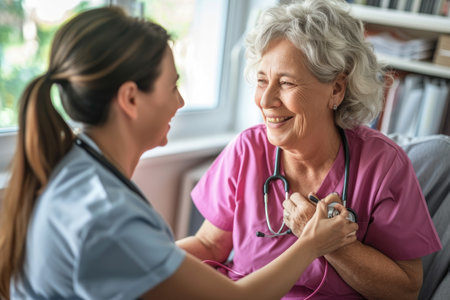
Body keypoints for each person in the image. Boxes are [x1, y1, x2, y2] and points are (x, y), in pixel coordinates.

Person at [0, 6, 359, 300]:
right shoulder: (109, 218)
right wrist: (312, 243)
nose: (180, 101)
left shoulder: (75, 167)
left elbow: (178, 256)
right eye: (172, 86)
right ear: (130, 98)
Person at [176, 0, 442, 299]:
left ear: (337, 89)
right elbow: (211, 246)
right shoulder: (248, 149)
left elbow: (405, 290)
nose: (266, 100)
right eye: (262, 80)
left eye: (286, 83)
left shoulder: (383, 166)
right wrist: (144, 262)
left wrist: (332, 242)